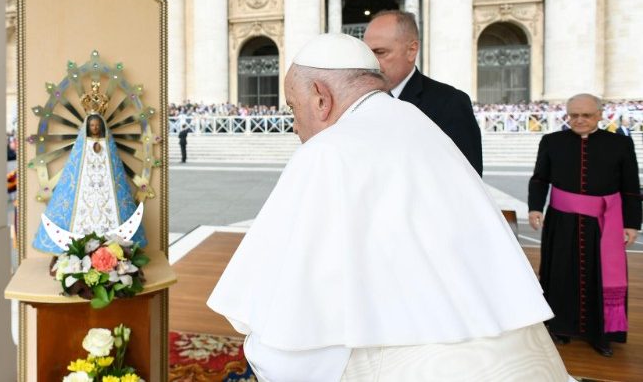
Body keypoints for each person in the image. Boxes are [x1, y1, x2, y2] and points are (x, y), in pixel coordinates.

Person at [208, 33, 570, 381]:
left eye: (292, 107)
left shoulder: (327, 151)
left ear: (321, 98)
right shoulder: (421, 124)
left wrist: (264, 349)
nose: (294, 126)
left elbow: (294, 341)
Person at [529, 94, 641, 357]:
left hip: (603, 225)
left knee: (598, 276)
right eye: (573, 115)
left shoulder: (620, 144)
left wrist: (633, 223)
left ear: (600, 115)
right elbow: (540, 178)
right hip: (561, 221)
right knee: (559, 274)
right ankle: (560, 327)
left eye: (586, 115)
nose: (579, 120)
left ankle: (600, 334)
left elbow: (631, 187)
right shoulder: (551, 141)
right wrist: (535, 207)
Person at [363, 10, 483, 176]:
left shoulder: (450, 103)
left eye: (380, 52)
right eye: (367, 53)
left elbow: (467, 181)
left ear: (412, 50)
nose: (371, 63)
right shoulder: (362, 102)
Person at [32, 86, 146, 254]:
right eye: (91, 125)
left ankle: (112, 248)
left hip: (106, 190)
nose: (94, 128)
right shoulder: (82, 145)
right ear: (87, 127)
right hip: (84, 189)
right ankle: (79, 249)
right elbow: (75, 169)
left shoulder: (108, 145)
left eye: (96, 125)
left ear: (101, 126)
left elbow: (114, 170)